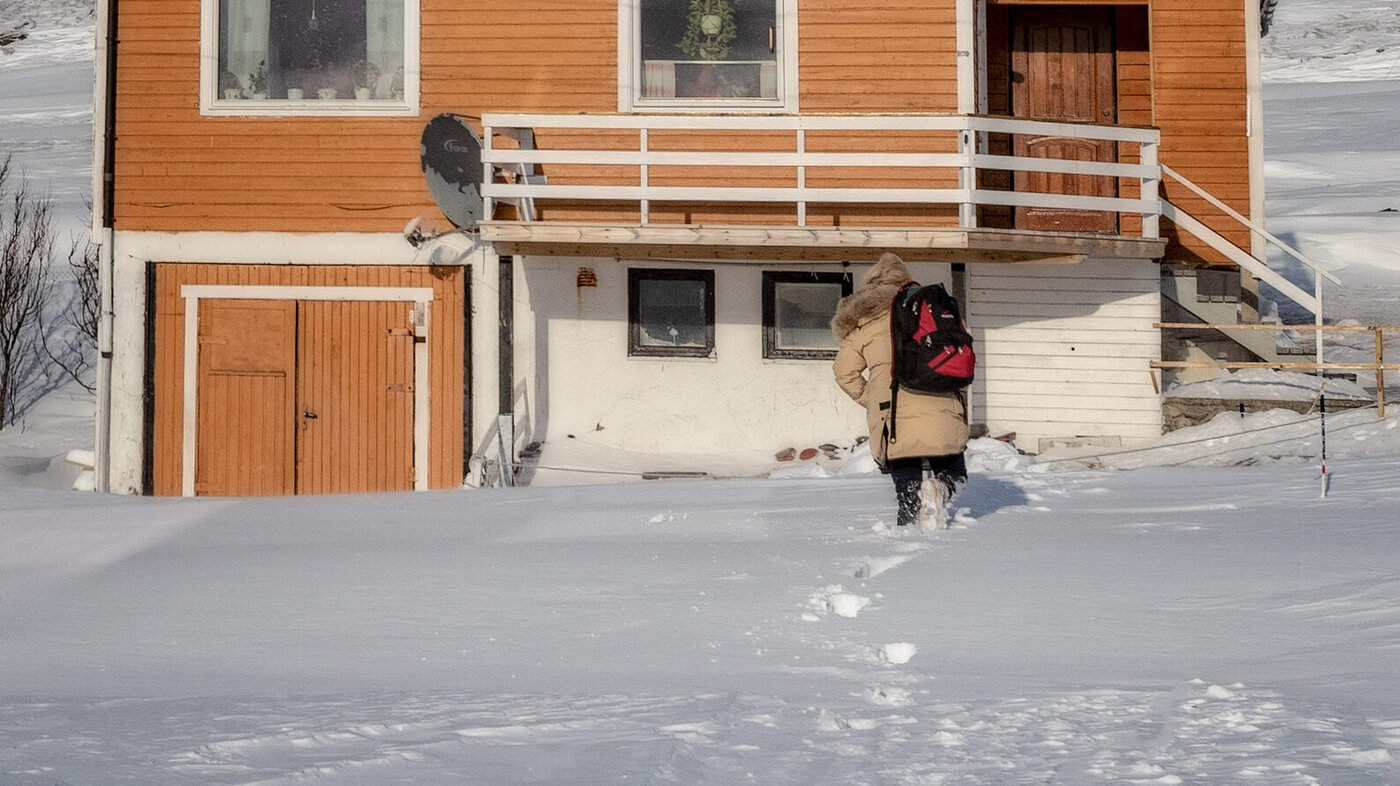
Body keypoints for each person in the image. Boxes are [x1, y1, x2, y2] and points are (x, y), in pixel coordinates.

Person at [831, 252, 970, 527]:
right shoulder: (929, 308)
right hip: (941, 402)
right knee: (954, 470)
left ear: (872, 283)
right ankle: (941, 489)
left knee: (906, 483)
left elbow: (844, 372)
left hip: (893, 415)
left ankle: (908, 529)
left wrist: (872, 399)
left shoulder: (863, 320)